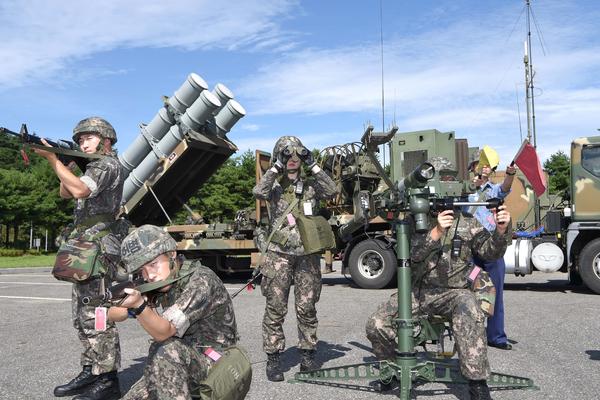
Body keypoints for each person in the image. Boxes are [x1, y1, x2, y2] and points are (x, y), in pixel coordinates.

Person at [365, 157, 513, 400]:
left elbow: (489, 253)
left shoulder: (467, 222)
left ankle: (476, 382)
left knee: (470, 310)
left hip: (454, 292)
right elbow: (410, 257)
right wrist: (435, 233)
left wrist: (500, 231)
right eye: (440, 179)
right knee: (377, 323)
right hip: (418, 292)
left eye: (449, 179)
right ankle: (391, 370)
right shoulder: (412, 221)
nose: (446, 184)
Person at [33, 117, 123, 400]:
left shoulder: (107, 165)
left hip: (99, 249)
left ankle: (107, 379)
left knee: (98, 315)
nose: (83, 143)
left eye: (89, 138)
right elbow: (67, 191)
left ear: (105, 140)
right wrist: (67, 165)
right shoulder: (91, 168)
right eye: (80, 140)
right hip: (85, 248)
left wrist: (52, 159)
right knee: (82, 315)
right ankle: (91, 368)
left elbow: (80, 190)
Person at [109, 224, 242, 399]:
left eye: (153, 264)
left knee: (165, 348)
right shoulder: (163, 281)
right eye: (142, 270)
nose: (150, 275)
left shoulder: (200, 280)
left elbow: (164, 332)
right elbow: (113, 314)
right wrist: (125, 308)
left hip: (218, 363)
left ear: (171, 254)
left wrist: (139, 305)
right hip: (185, 359)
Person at [253, 135, 338, 382]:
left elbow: (332, 190)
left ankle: (308, 355)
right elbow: (258, 191)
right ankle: (273, 358)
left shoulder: (311, 186)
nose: (292, 160)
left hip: (307, 257)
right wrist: (275, 166)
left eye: (295, 156)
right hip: (279, 256)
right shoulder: (274, 187)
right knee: (275, 309)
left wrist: (313, 164)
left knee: (307, 307)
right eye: (286, 155)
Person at [469, 149, 517, 350]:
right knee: (470, 292)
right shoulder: (466, 190)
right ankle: (470, 334)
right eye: (482, 165)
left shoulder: (493, 190)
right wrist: (473, 184)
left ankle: (496, 337)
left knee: (495, 294)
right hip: (471, 252)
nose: (486, 168)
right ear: (473, 168)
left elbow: (506, 187)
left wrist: (511, 174)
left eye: (489, 166)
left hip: (492, 250)